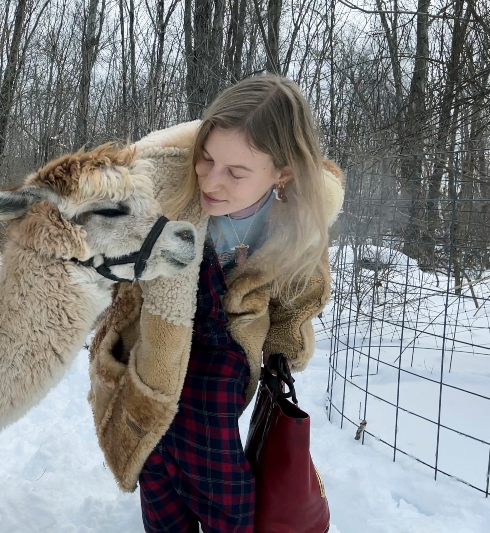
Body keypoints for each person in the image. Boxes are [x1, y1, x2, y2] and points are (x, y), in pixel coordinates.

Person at [87, 74, 344, 532]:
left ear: (281, 173)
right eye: (206, 159)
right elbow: (104, 262)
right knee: (157, 452)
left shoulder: (295, 220)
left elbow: (301, 294)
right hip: (157, 343)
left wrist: (283, 343)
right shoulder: (169, 193)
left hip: (224, 350)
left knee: (221, 483)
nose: (212, 179)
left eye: (236, 172)